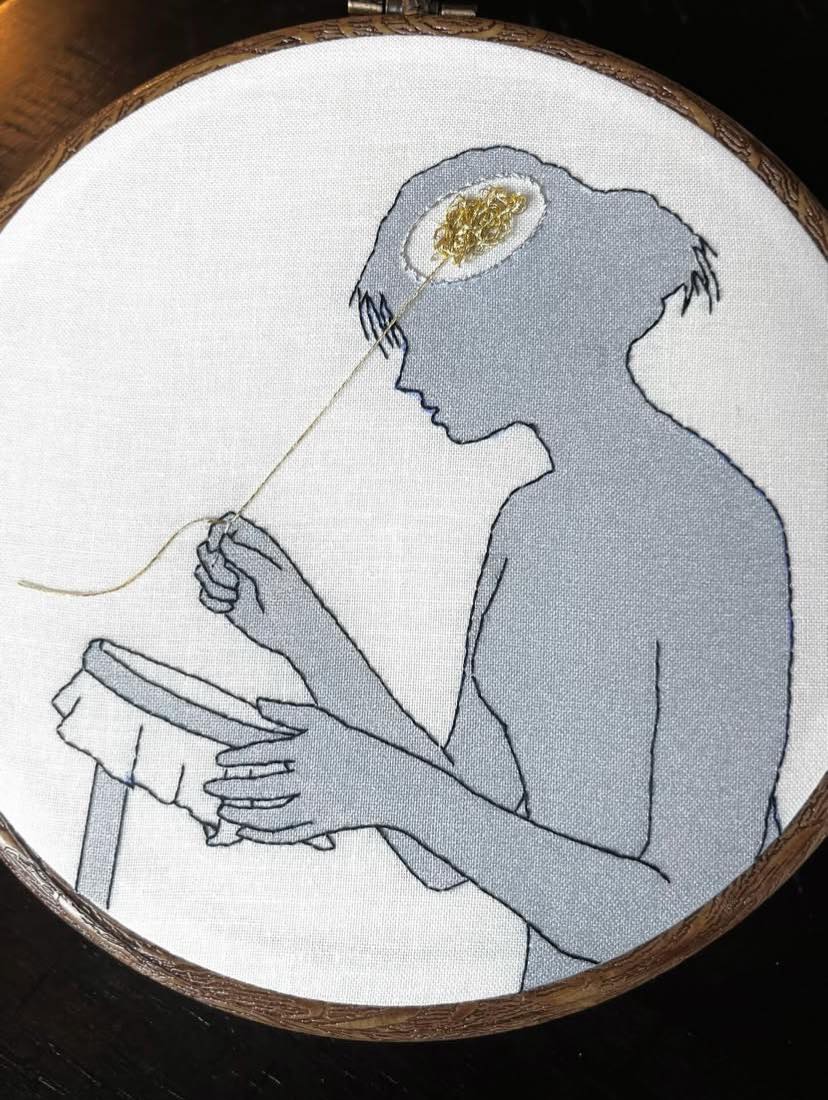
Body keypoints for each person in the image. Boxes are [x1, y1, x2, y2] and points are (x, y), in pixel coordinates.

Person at [194, 147, 791, 989]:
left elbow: (689, 910)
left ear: (514, 326)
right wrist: (302, 632)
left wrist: (388, 787)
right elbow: (449, 848)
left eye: (420, 340)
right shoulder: (528, 524)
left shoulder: (716, 524)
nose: (407, 378)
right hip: (553, 1014)